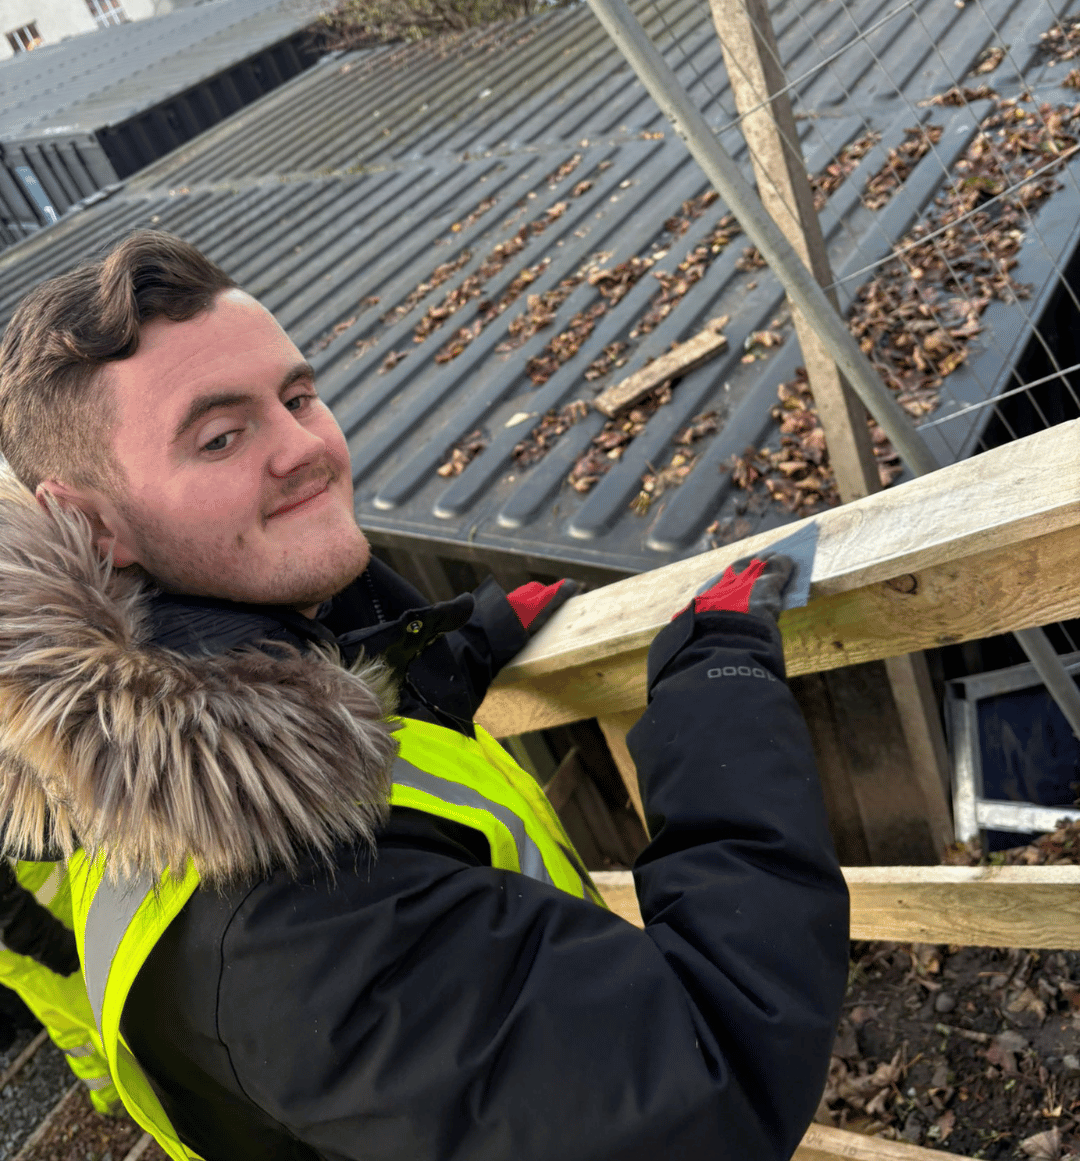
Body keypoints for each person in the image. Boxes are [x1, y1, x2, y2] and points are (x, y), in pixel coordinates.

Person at [0, 229, 849, 1161]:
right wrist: (717, 683)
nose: (305, 450)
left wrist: (462, 644)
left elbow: (322, 704)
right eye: (220, 436)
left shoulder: (168, 699)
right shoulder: (295, 926)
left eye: (298, 397)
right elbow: (709, 1078)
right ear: (88, 523)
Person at [0, 859, 121, 1115]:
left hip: (19, 953)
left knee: (65, 1021)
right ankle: (152, 1085)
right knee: (105, 1008)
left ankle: (109, 1095)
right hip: (48, 920)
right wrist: (54, 946)